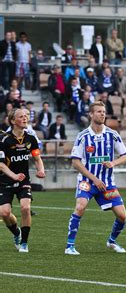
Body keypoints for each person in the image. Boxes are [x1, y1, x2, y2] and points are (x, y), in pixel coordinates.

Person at [65, 101, 126, 255]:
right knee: (80, 207)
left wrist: (114, 162)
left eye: (103, 111)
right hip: (87, 182)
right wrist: (94, 179)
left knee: (122, 216)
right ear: (91, 114)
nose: (103, 114)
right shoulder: (83, 136)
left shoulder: (112, 135)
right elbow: (75, 162)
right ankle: (70, 246)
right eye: (99, 111)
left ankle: (112, 242)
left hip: (107, 184)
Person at [0, 108, 46, 253]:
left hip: (23, 181)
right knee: (4, 213)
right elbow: (1, 164)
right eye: (21, 116)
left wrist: (41, 170)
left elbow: (37, 158)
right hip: (5, 181)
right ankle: (16, 233)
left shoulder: (30, 138)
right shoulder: (4, 140)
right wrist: (13, 175)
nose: (25, 118)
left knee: (25, 208)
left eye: (26, 116)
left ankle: (24, 243)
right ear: (13, 121)